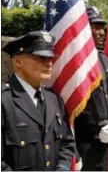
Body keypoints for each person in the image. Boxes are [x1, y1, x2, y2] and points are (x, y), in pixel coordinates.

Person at [1, 31, 75, 171]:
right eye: (41, 58)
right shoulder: (4, 100)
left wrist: (62, 167)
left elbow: (67, 142)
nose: (48, 64)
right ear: (17, 62)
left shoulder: (54, 100)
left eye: (50, 58)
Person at [74, 6, 108, 170]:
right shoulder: (73, 62)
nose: (102, 32)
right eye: (96, 27)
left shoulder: (106, 60)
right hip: (83, 143)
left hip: (105, 141)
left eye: (102, 28)